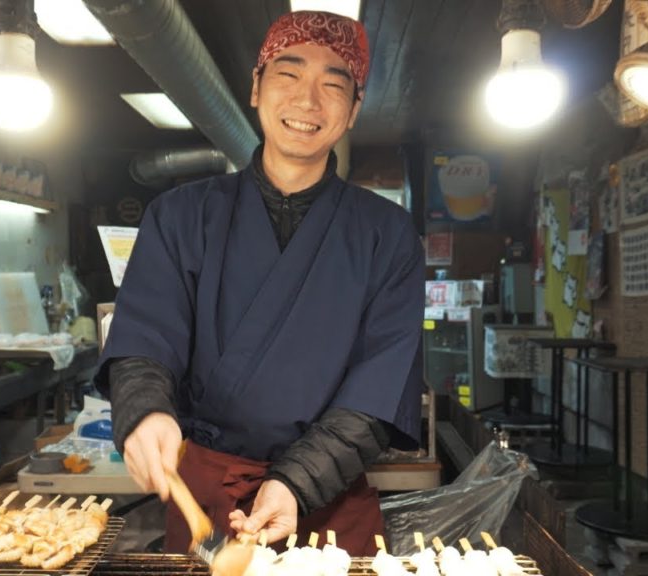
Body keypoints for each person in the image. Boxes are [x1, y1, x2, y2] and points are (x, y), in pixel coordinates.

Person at [96, 10, 425, 556]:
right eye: (288, 75)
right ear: (256, 87)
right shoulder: (178, 216)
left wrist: (296, 481)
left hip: (329, 499)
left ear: (353, 109)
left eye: (333, 85)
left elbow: (379, 392)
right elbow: (144, 341)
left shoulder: (388, 235)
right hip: (205, 498)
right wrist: (144, 409)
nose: (308, 101)